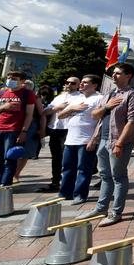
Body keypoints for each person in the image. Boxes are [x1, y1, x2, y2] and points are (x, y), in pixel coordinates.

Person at [77, 63, 134, 227]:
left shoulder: (133, 95)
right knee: (105, 175)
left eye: (118, 73)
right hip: (104, 139)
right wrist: (107, 107)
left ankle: (116, 212)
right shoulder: (109, 94)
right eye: (113, 73)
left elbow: (132, 122)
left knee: (118, 176)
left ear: (128, 76)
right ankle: (101, 208)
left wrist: (120, 143)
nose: (114, 76)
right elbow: (95, 115)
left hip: (118, 141)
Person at [0, 71, 36, 187]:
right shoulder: (0, 93)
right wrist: (4, 106)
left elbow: (29, 115)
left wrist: (24, 131)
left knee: (10, 158)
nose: (10, 80)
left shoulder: (27, 94)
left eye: (14, 78)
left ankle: (6, 183)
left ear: (22, 81)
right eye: (8, 78)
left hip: (13, 130)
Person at [57, 75, 101, 203]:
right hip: (70, 139)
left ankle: (80, 195)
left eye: (85, 82)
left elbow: (100, 120)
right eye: (81, 82)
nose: (81, 84)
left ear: (94, 85)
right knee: (67, 167)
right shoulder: (77, 99)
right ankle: (65, 192)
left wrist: (94, 139)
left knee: (83, 169)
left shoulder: (99, 98)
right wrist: (71, 108)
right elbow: (60, 116)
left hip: (85, 139)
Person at [41, 77, 80, 192]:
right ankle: (55, 181)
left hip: (68, 129)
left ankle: (68, 182)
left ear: (78, 85)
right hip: (55, 129)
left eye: (73, 83)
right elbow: (45, 112)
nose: (69, 84)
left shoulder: (80, 97)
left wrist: (67, 109)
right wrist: (57, 108)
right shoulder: (59, 97)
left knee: (67, 158)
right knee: (56, 157)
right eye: (67, 82)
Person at [14, 79, 45, 181]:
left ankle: (16, 174)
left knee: (25, 152)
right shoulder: (15, 96)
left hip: (31, 126)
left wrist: (42, 130)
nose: (24, 86)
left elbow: (42, 115)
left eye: (27, 85)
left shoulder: (35, 98)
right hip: (16, 124)